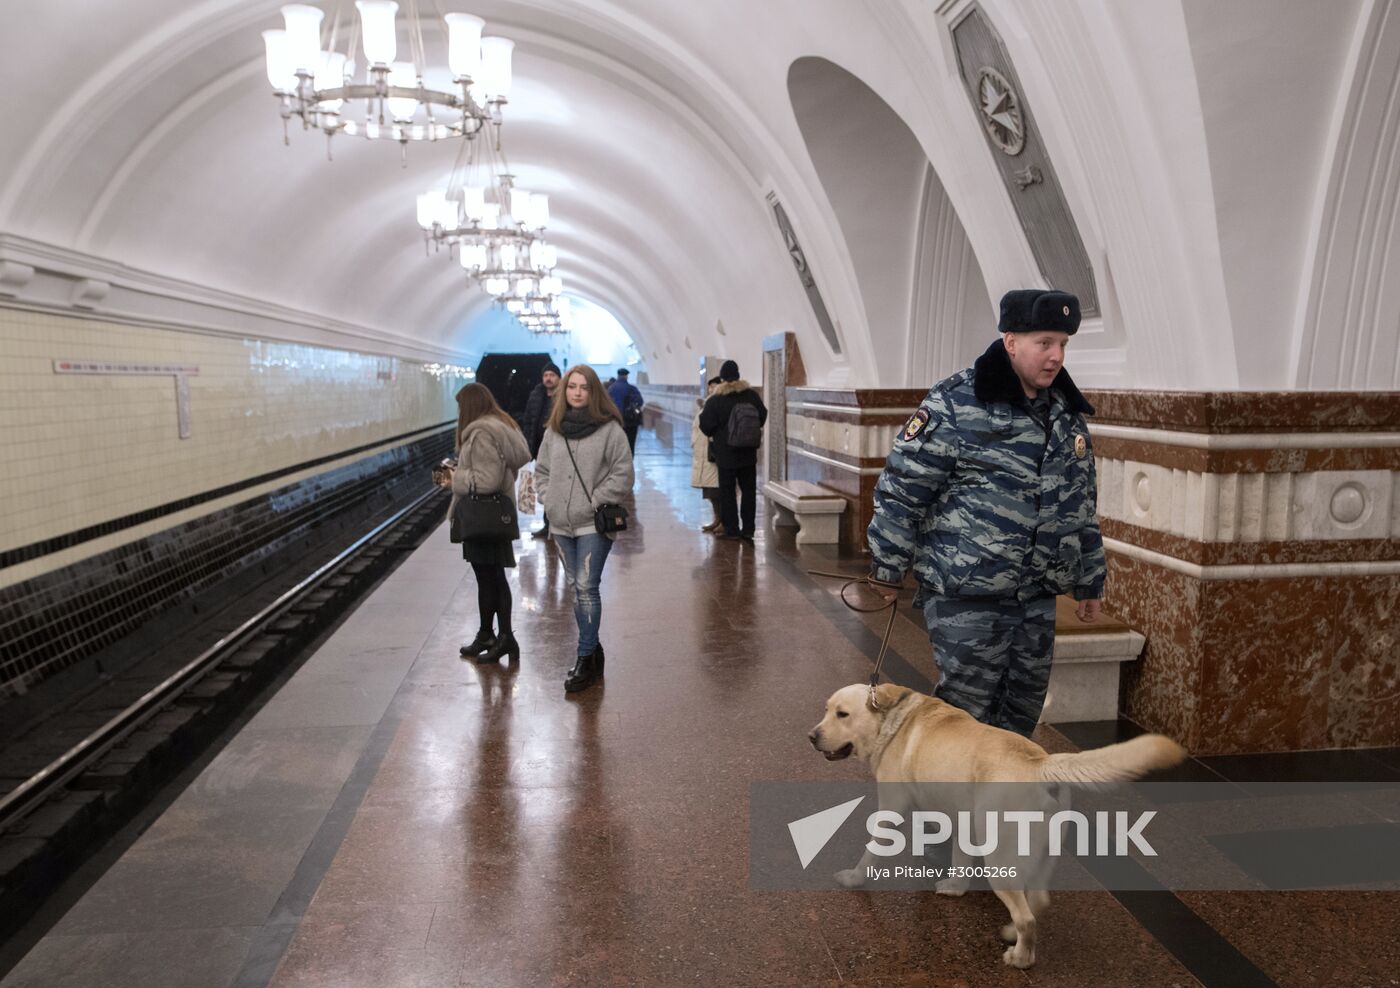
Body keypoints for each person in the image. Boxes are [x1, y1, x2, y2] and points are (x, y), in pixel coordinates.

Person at [866, 289, 1105, 739]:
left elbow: (1082, 505)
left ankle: (998, 806)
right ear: (1011, 341)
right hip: (966, 593)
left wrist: (1090, 580)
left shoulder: (1067, 413)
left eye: (1063, 345)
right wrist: (886, 568)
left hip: (1036, 595)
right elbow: (901, 490)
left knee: (1020, 716)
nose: (1056, 356)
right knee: (964, 718)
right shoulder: (956, 404)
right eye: (1045, 343)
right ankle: (948, 808)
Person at [535, 364, 635, 693]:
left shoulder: (609, 430)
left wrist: (595, 500)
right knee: (578, 588)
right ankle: (594, 653)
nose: (577, 392)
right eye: (572, 387)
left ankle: (584, 656)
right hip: (561, 524)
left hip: (593, 523)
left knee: (586, 588)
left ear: (594, 392)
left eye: (584, 387)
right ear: (564, 392)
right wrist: (548, 499)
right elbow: (542, 470)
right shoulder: (554, 430)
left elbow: (623, 473)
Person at [450, 383, 532, 663]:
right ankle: (488, 634)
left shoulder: (481, 433)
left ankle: (505, 636)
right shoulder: (499, 424)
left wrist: (455, 479)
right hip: (492, 517)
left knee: (491, 579)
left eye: (461, 407)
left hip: (483, 516)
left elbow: (487, 481)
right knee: (490, 578)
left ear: (469, 407)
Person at [698, 360, 767, 541]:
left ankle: (732, 529)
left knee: (727, 492)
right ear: (738, 376)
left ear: (722, 378)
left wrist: (719, 434)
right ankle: (749, 529)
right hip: (748, 453)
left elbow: (705, 425)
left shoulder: (716, 400)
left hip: (726, 454)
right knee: (749, 491)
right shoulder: (751, 395)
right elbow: (763, 416)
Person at [522, 361, 562, 538]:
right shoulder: (535, 395)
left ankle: (557, 524)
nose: (548, 378)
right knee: (544, 486)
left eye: (552, 375)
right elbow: (529, 421)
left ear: (559, 378)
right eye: (546, 375)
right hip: (539, 450)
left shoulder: (563, 397)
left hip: (559, 451)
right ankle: (547, 525)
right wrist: (528, 447)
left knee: (557, 487)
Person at [691, 376, 723, 532]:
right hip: (704, 453)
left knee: (717, 491)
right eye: (710, 386)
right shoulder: (708, 403)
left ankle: (723, 521)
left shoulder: (717, 403)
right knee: (711, 492)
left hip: (713, 453)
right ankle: (717, 519)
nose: (711, 388)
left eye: (714, 385)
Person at [607, 368, 645, 454]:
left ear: (618, 375)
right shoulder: (632, 389)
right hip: (631, 422)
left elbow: (607, 404)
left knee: (617, 445)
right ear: (626, 376)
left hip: (616, 421)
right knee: (630, 443)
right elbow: (640, 402)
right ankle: (629, 461)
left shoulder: (611, 389)